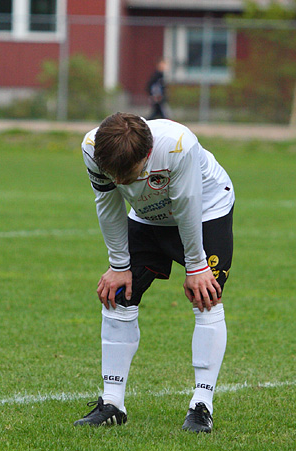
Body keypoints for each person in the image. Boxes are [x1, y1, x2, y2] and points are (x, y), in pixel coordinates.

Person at [75, 112, 235, 433]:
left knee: (205, 296)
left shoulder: (178, 146)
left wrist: (196, 266)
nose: (119, 181)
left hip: (205, 211)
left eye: (127, 174)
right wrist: (118, 266)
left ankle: (202, 405)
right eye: (113, 174)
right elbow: (107, 205)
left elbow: (188, 204)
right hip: (148, 216)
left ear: (147, 155)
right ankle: (112, 402)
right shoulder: (93, 148)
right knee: (118, 295)